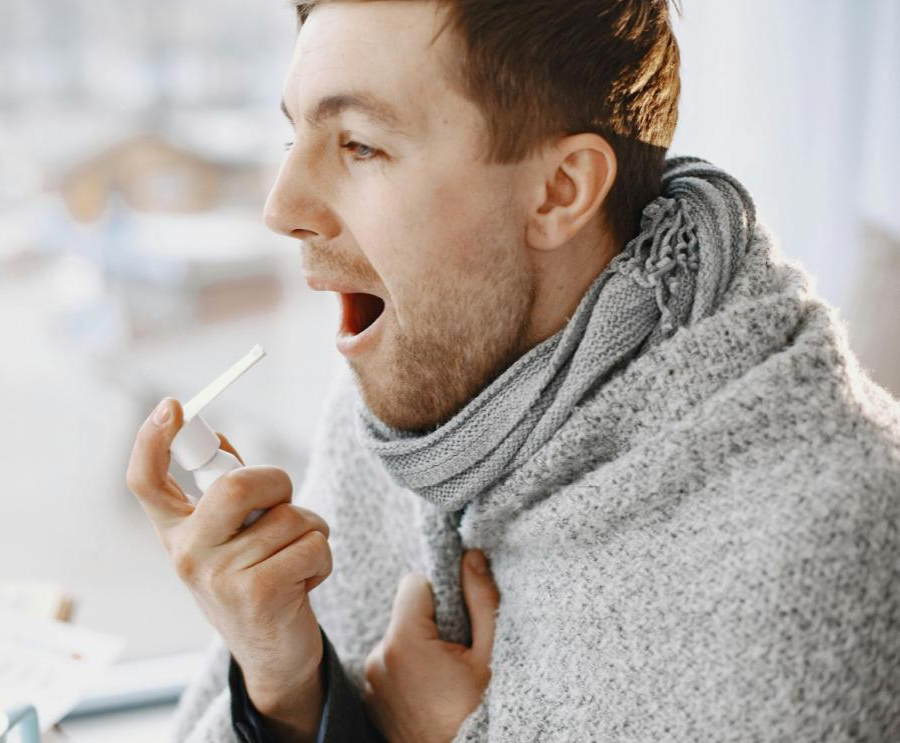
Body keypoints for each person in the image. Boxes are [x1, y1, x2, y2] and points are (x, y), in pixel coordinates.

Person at [125, 1, 900, 740]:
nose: (281, 204)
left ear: (560, 191)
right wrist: (285, 686)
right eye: (293, 137)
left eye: (359, 144)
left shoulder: (824, 547)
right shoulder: (404, 390)